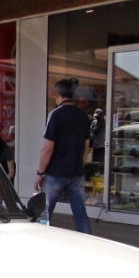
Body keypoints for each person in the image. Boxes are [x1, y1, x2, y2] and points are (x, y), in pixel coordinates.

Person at [34, 78, 92, 233]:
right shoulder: (83, 115)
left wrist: (40, 173)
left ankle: (41, 240)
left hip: (55, 172)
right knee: (80, 213)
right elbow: (87, 146)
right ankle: (89, 242)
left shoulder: (55, 115)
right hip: (76, 172)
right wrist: (80, 164)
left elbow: (48, 148)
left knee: (45, 212)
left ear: (57, 94)